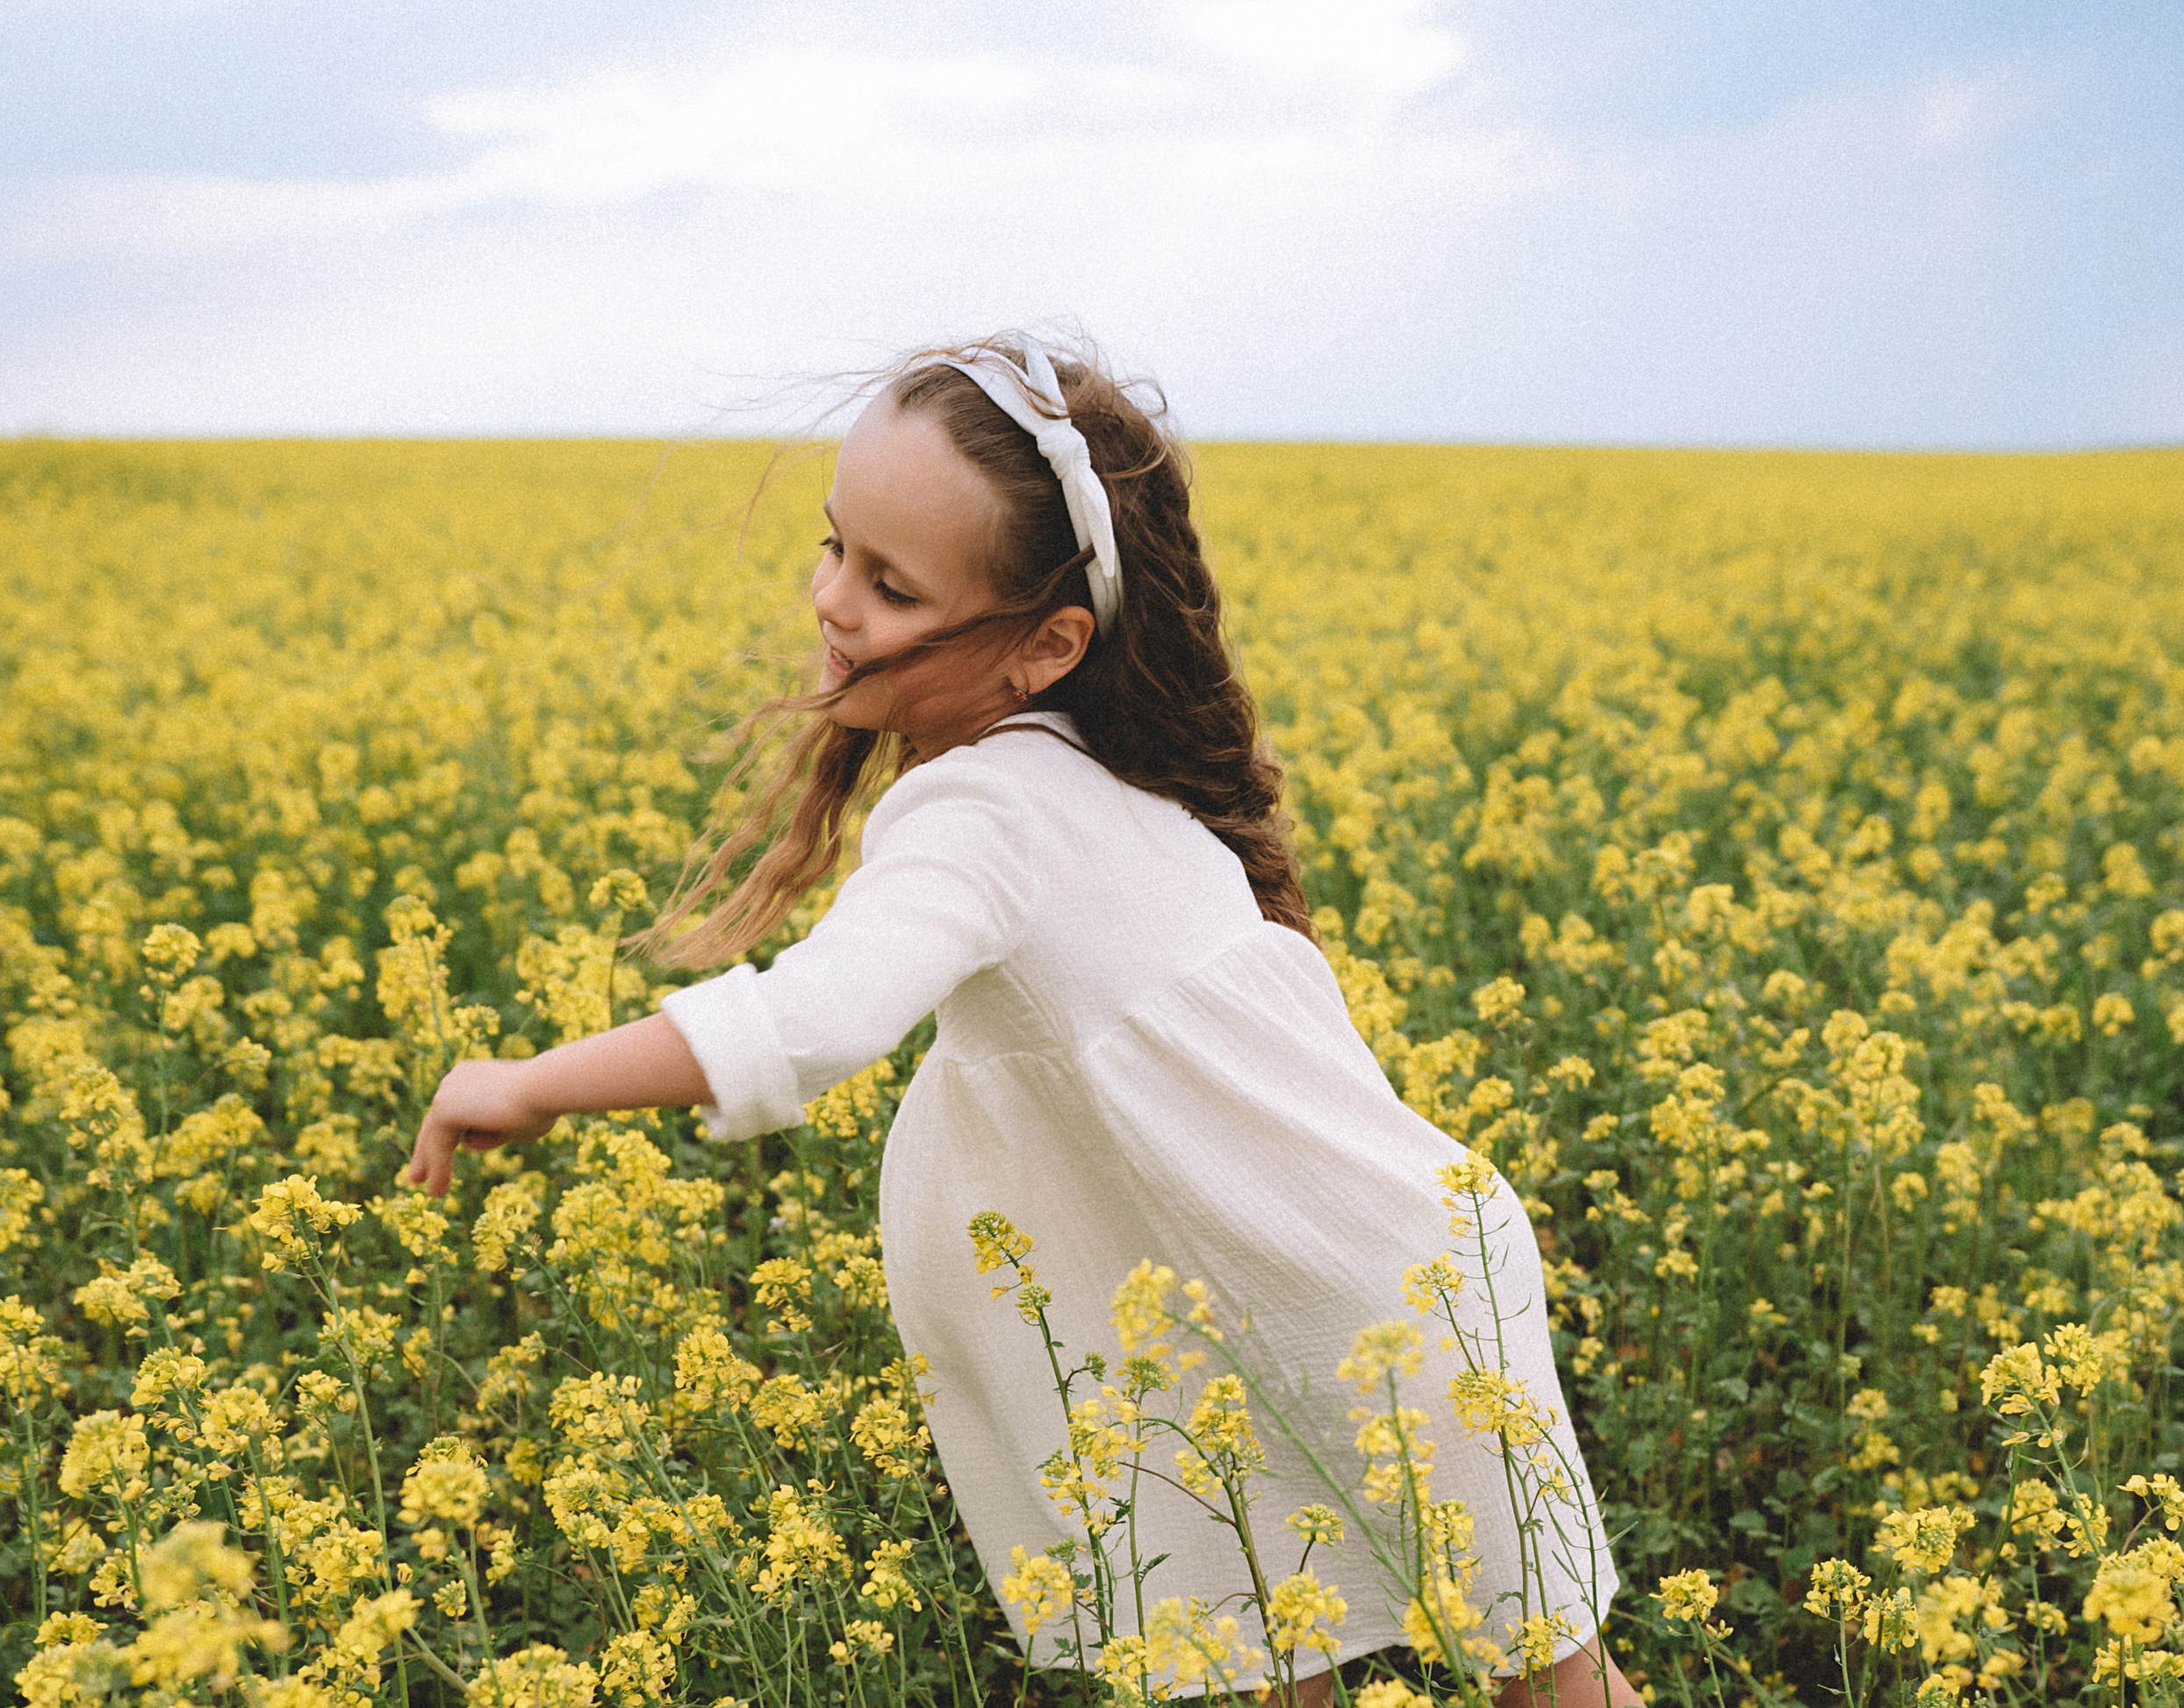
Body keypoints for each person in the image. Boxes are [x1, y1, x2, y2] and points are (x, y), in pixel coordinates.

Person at [406, 334, 1640, 1707]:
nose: (832, 600)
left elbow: (818, 1016)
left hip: (1355, 1313)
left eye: (891, 586)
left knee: (1520, 1688)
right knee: (1498, 1683)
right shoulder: (1104, 777)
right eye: (834, 547)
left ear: (1047, 647)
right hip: (1358, 1294)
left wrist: (536, 1080)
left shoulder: (984, 812)